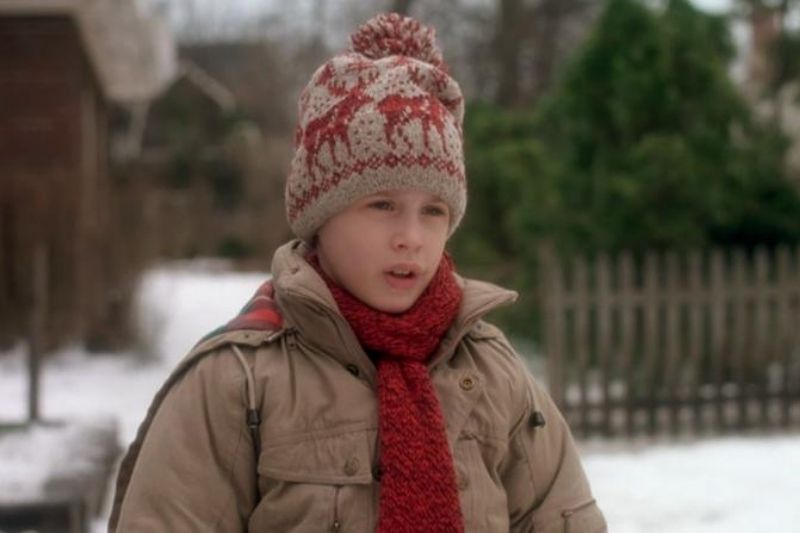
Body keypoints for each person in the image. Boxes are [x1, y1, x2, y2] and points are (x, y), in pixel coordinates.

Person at [109, 12, 606, 533]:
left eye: (433, 211)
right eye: (382, 205)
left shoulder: (491, 372)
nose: (411, 236)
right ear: (321, 216)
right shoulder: (239, 381)